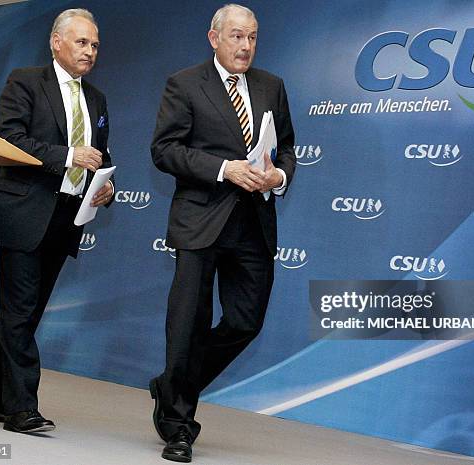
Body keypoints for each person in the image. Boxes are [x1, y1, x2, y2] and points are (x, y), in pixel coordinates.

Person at [150, 4, 296, 462]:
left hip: (254, 224)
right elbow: (165, 150)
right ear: (214, 38)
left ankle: (172, 383)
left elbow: (287, 147)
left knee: (244, 322)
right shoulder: (185, 83)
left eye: (252, 37)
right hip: (200, 221)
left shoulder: (272, 86)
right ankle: (177, 424)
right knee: (187, 326)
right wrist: (223, 169)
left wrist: (280, 176)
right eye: (236, 36)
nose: (245, 46)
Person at [0, 8, 114, 434]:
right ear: (56, 42)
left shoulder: (98, 99)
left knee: (25, 316)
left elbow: (104, 154)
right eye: (82, 42)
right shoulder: (25, 81)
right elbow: (9, 140)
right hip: (22, 213)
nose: (90, 51)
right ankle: (20, 407)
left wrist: (106, 187)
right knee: (18, 314)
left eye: (95, 45)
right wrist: (69, 157)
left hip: (67, 217)